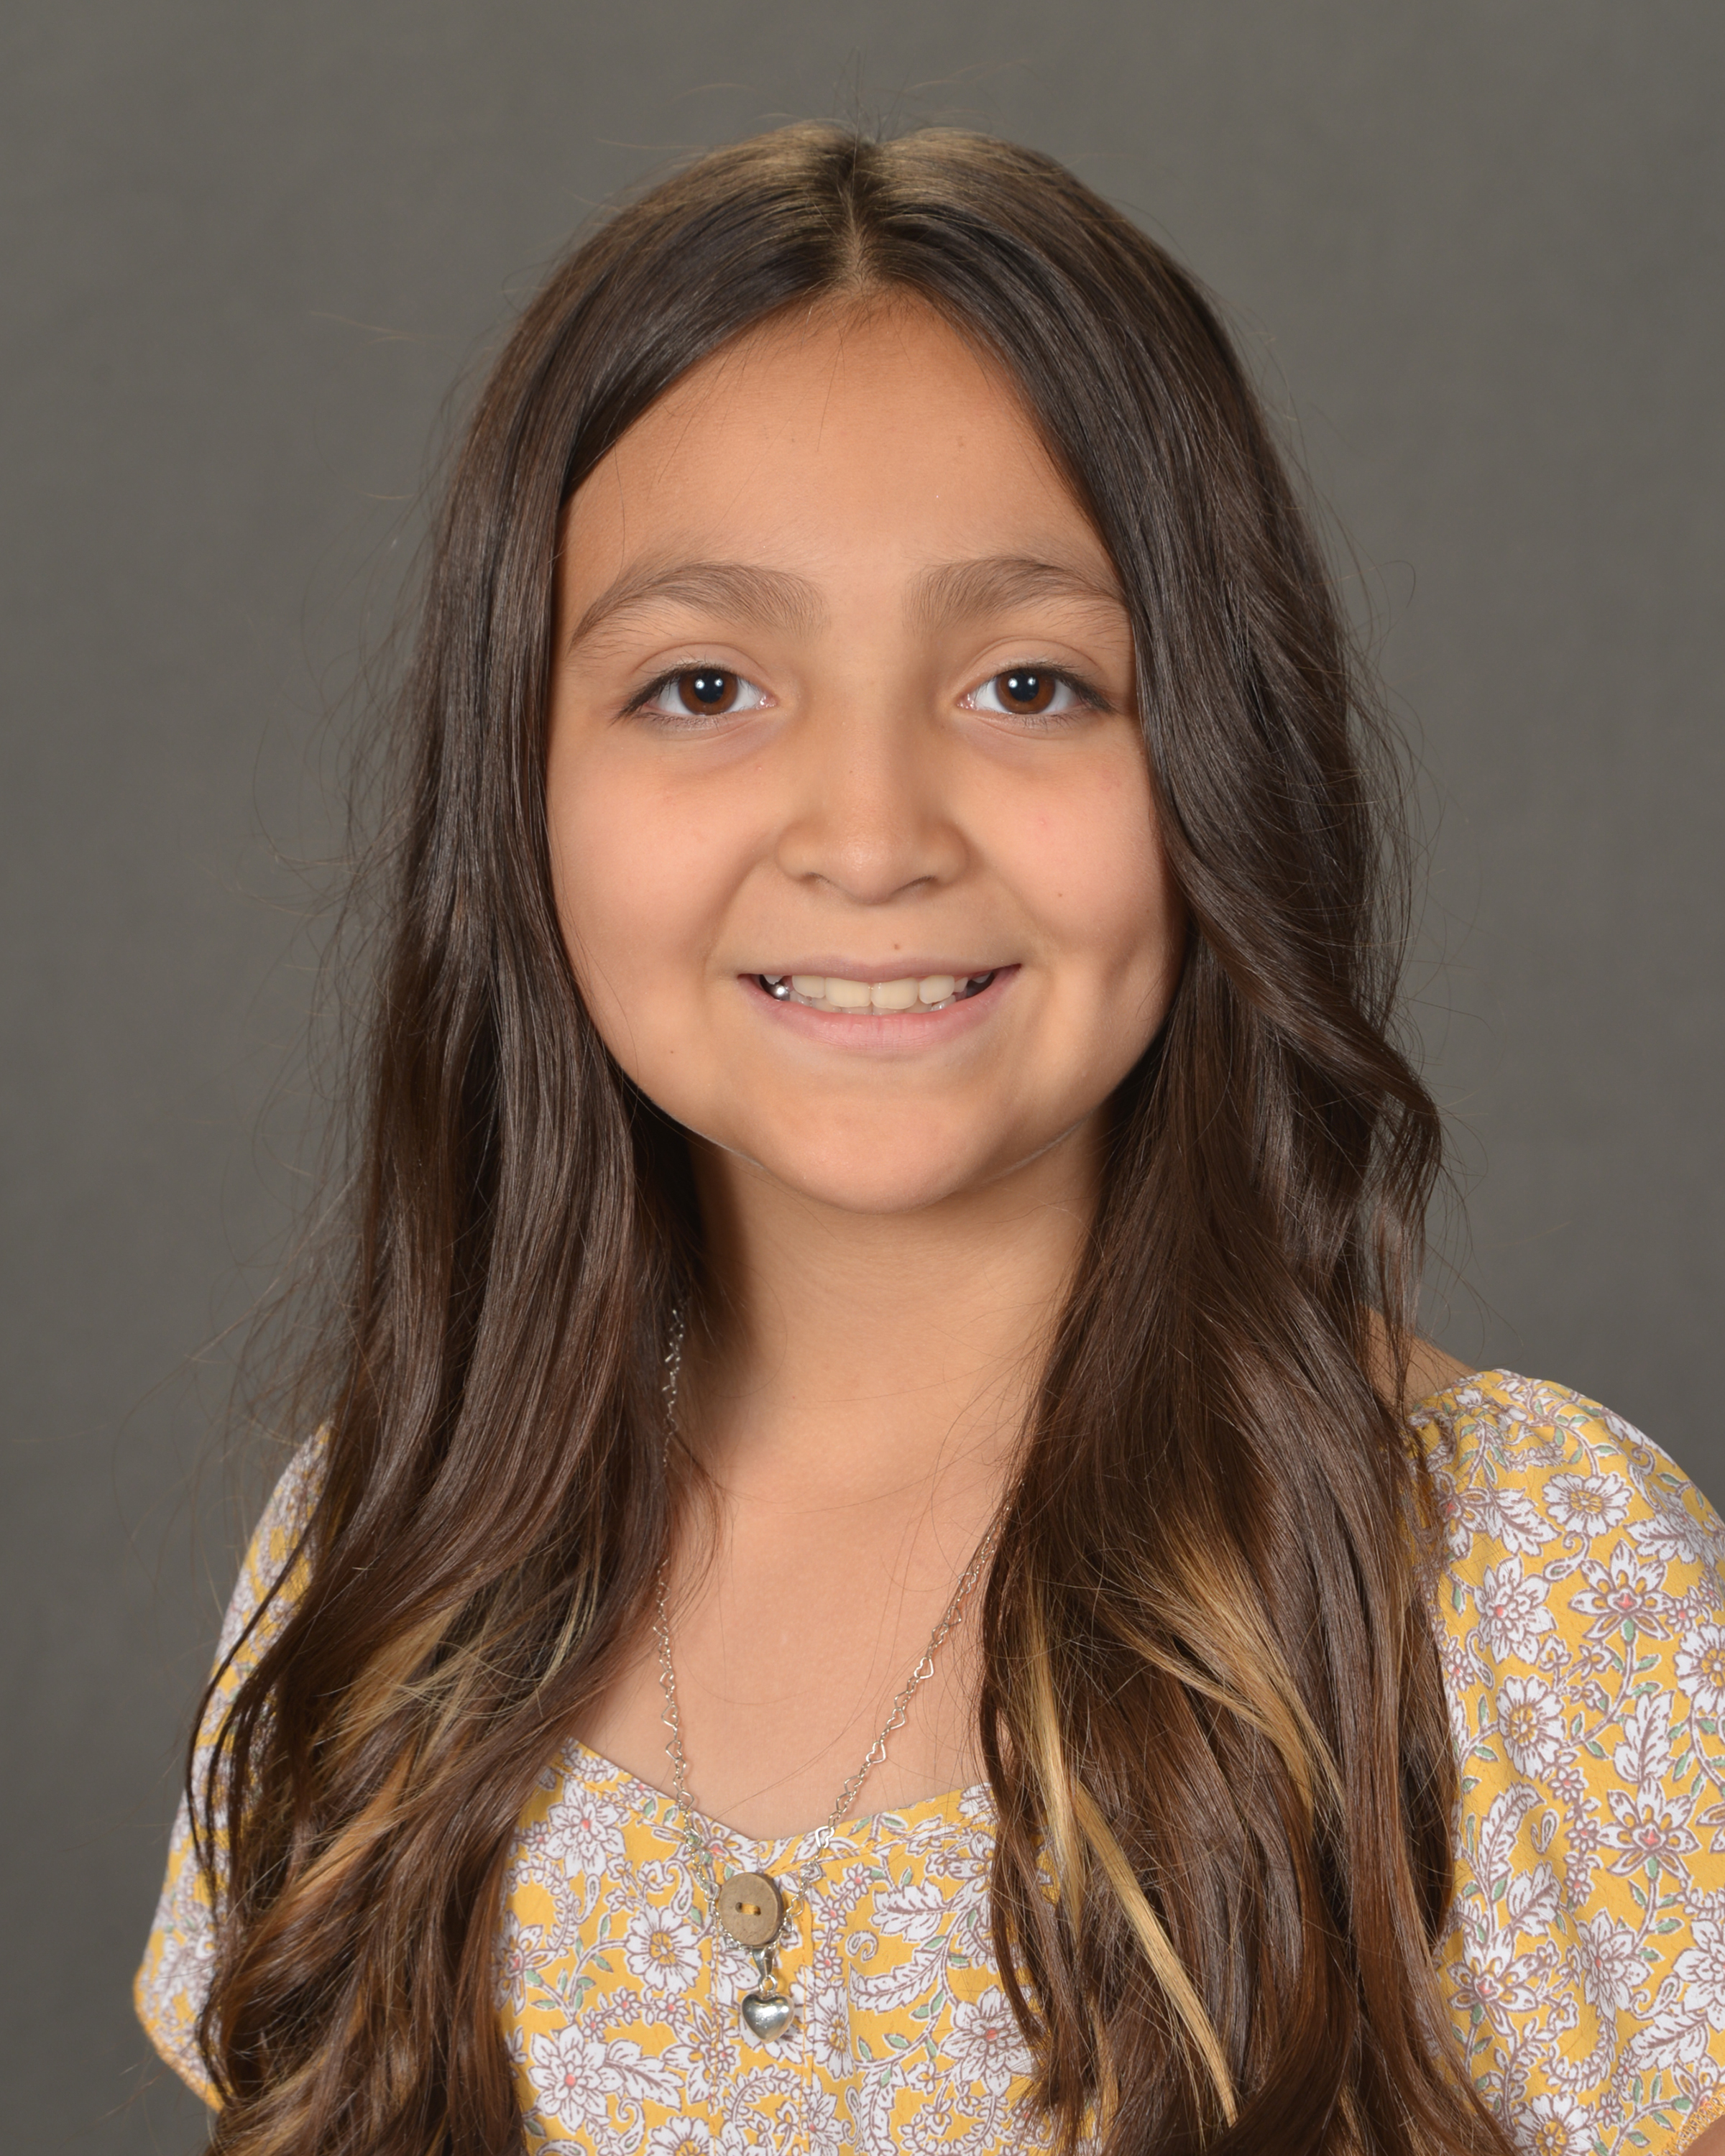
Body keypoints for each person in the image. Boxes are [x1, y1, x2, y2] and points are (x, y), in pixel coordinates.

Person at [134, 125, 1725, 2156]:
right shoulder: (383, 1556)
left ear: (1220, 762)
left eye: (1030, 684)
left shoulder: (1523, 1585)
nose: (873, 836)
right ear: (520, 789)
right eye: (704, 684)